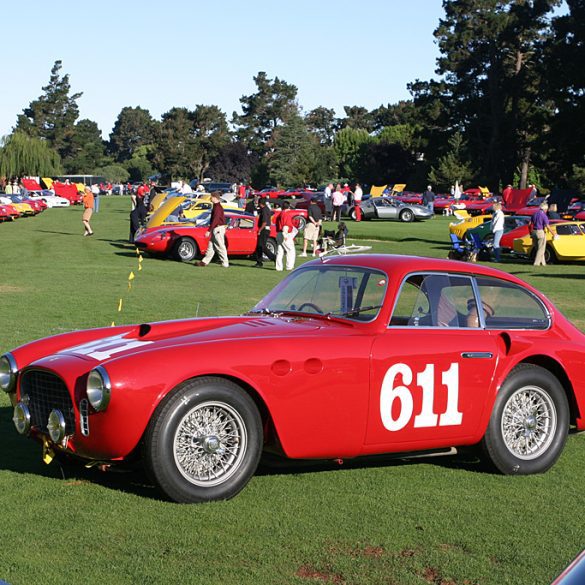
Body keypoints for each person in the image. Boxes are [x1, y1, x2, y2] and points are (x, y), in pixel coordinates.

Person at [197, 192, 229, 267]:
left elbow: (216, 220)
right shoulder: (216, 206)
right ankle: (204, 262)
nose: (210, 198)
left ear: (215, 198)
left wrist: (209, 230)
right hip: (217, 228)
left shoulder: (217, 207)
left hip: (218, 228)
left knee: (220, 246)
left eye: (211, 197)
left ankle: (225, 263)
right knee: (211, 246)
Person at [254, 197, 276, 267]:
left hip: (264, 230)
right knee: (259, 246)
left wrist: (260, 230)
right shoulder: (266, 209)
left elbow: (264, 222)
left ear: (260, 203)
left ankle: (273, 257)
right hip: (265, 229)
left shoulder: (264, 210)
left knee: (262, 246)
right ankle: (259, 262)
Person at [275, 201, 297, 271]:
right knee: (291, 251)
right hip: (285, 233)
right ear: (288, 207)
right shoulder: (287, 214)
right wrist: (285, 235)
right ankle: (289, 266)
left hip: (279, 233)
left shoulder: (280, 213)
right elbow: (286, 226)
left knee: (280, 252)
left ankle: (278, 267)